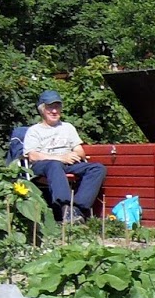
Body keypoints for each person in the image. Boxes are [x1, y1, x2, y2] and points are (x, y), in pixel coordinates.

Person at [23, 89, 105, 220]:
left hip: (67, 163)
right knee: (54, 165)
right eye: (50, 107)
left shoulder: (68, 127)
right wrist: (60, 158)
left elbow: (79, 150)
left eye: (57, 107)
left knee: (97, 168)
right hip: (43, 166)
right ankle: (65, 207)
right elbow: (32, 156)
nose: (54, 111)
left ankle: (77, 209)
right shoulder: (34, 131)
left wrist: (75, 154)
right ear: (42, 110)